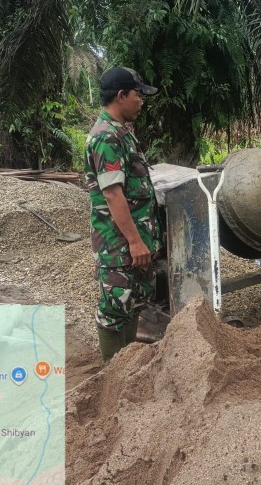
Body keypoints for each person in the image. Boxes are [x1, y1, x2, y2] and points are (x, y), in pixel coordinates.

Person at [85, 67, 164, 365]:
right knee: (114, 307)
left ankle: (126, 366)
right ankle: (111, 376)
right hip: (118, 245)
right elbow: (113, 194)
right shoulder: (106, 137)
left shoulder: (121, 133)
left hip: (133, 242)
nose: (142, 101)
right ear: (121, 96)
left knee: (131, 303)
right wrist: (134, 241)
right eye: (138, 94)